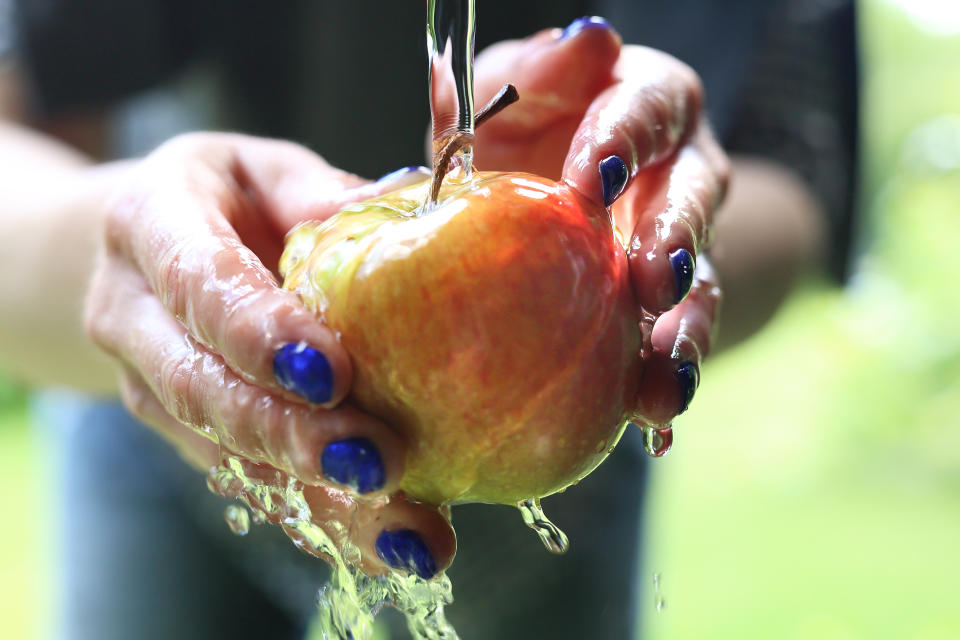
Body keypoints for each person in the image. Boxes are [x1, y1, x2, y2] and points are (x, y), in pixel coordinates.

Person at [0, 1, 855, 638]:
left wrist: (632, 262)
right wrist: (131, 253)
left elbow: (791, 161)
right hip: (161, 378)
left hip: (564, 472)